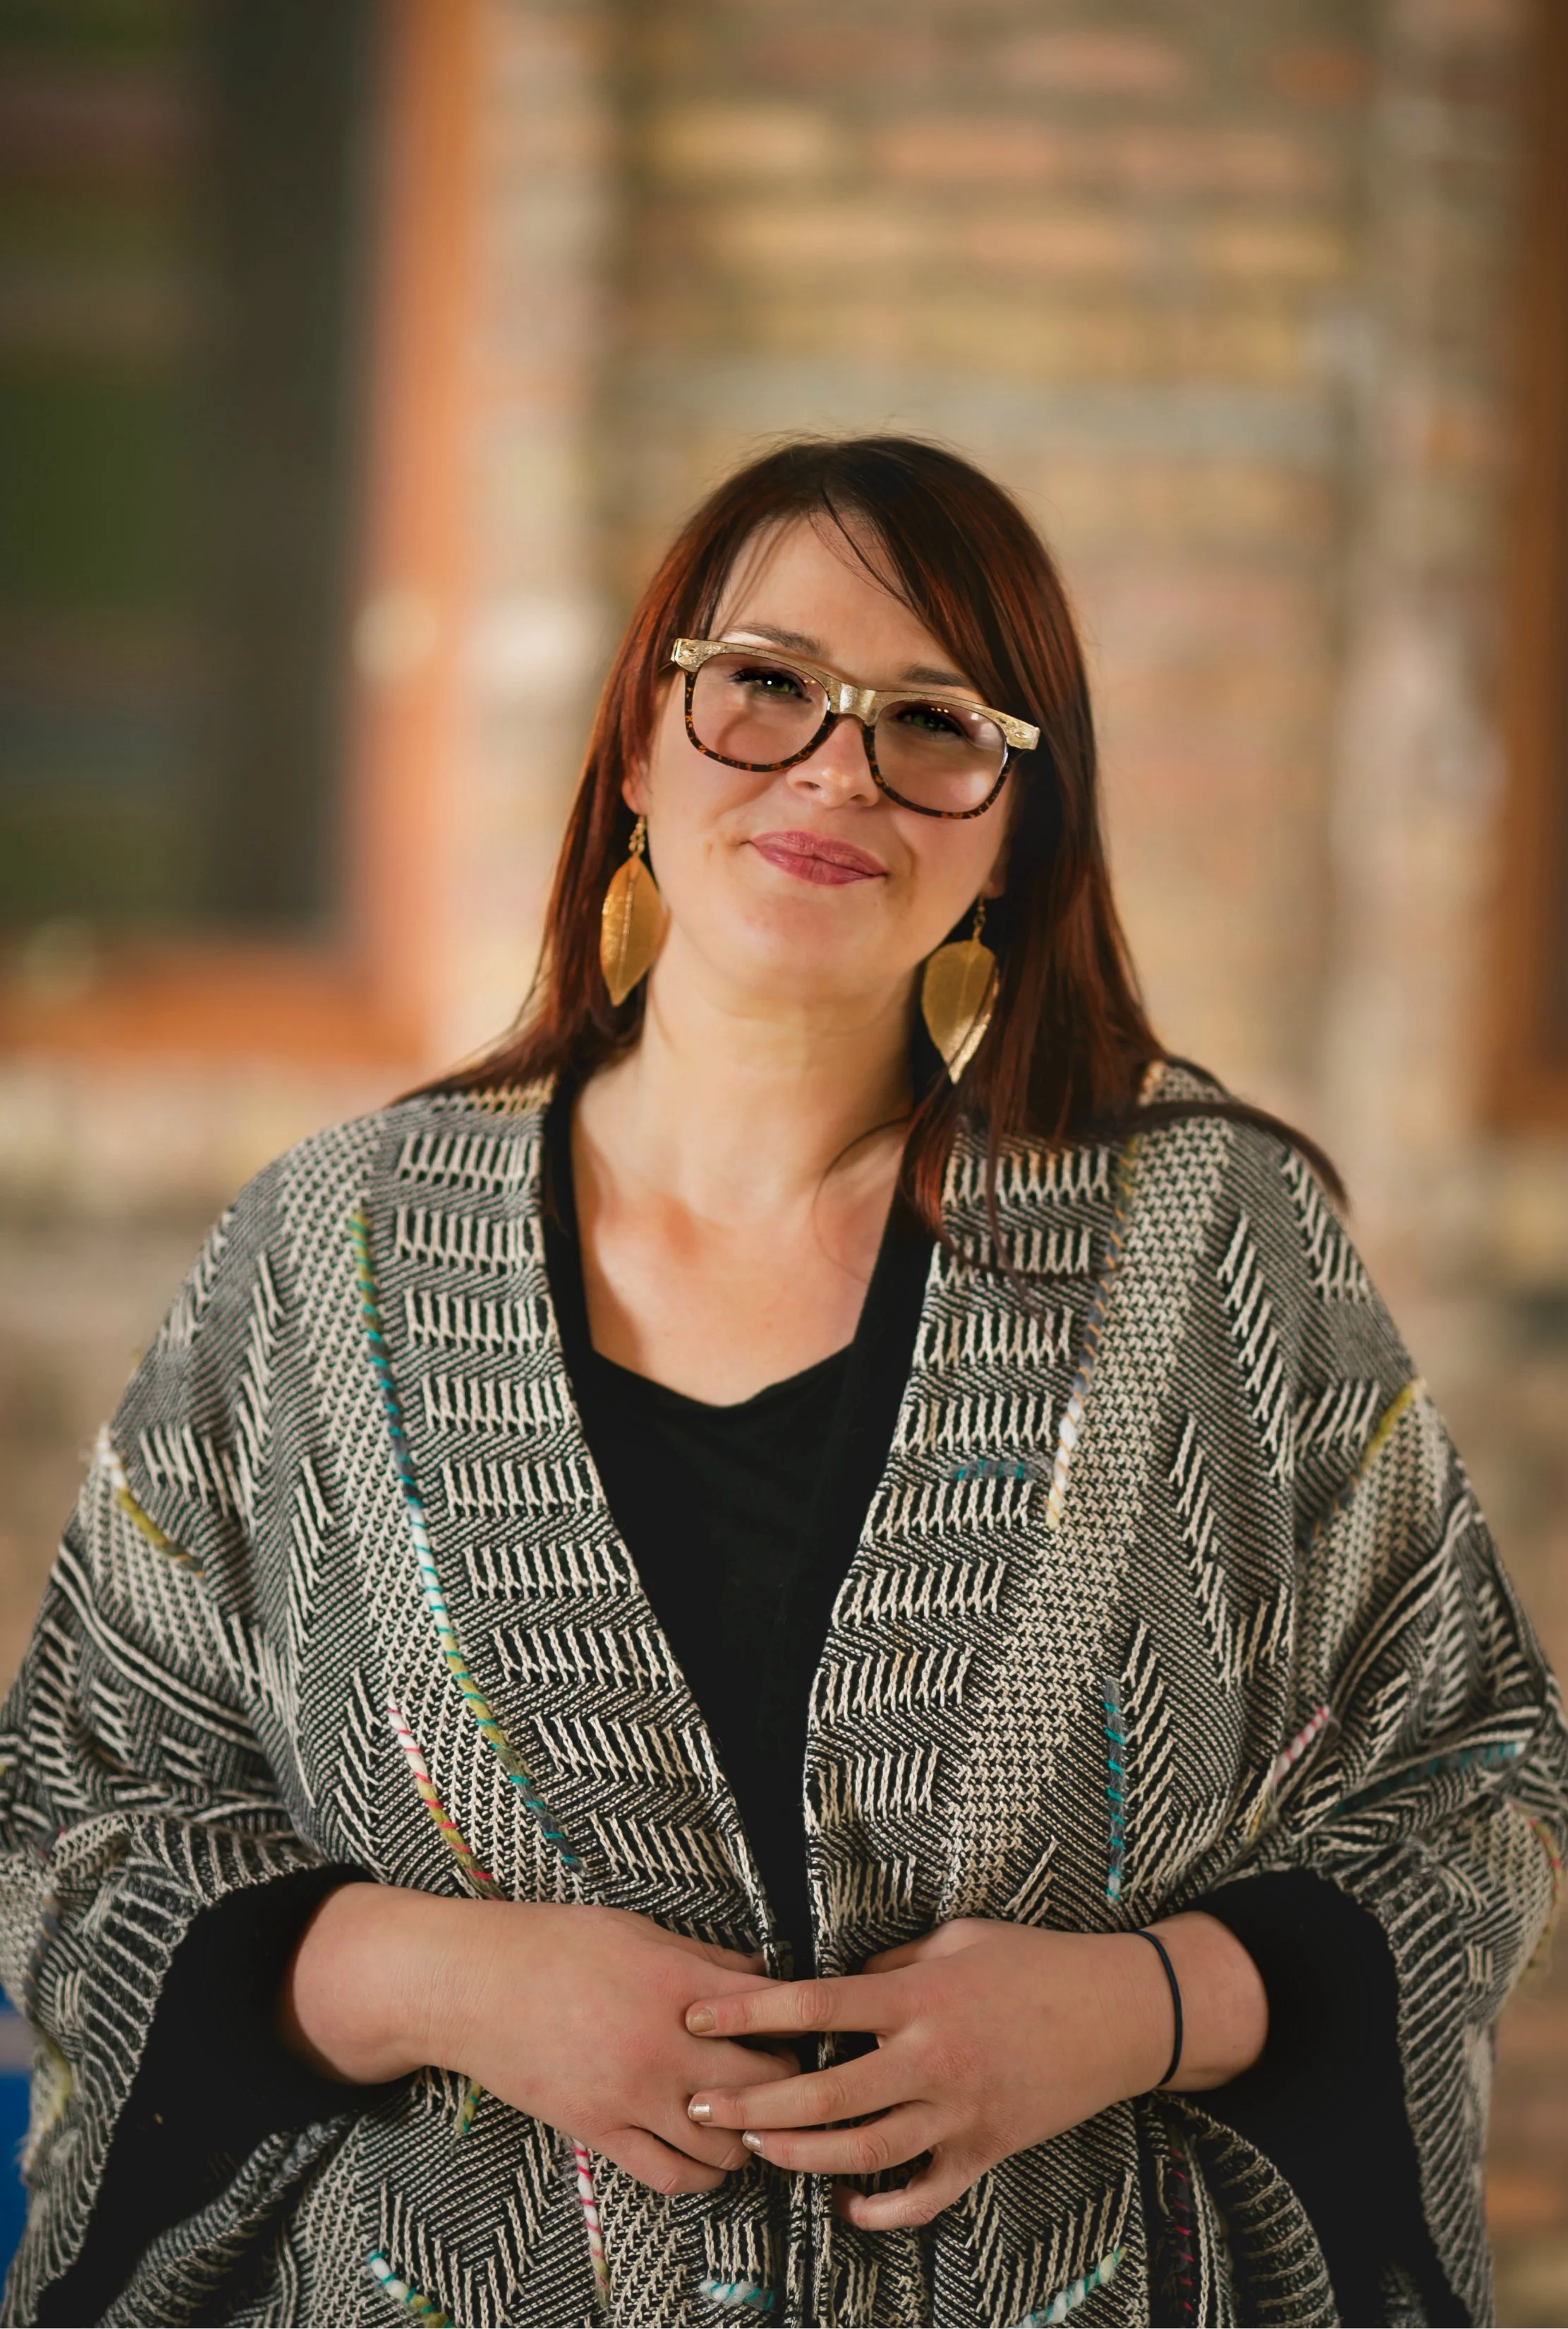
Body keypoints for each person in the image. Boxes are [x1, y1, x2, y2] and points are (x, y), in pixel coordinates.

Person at [1, 437, 1562, 2329]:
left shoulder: (1209, 1246)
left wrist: (1134, 2009)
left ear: (1012, 837)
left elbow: (1473, 1786)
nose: (836, 766)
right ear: (641, 749)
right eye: (764, 685)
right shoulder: (324, 1256)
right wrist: (435, 1977)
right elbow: (80, 1826)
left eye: (932, 721)